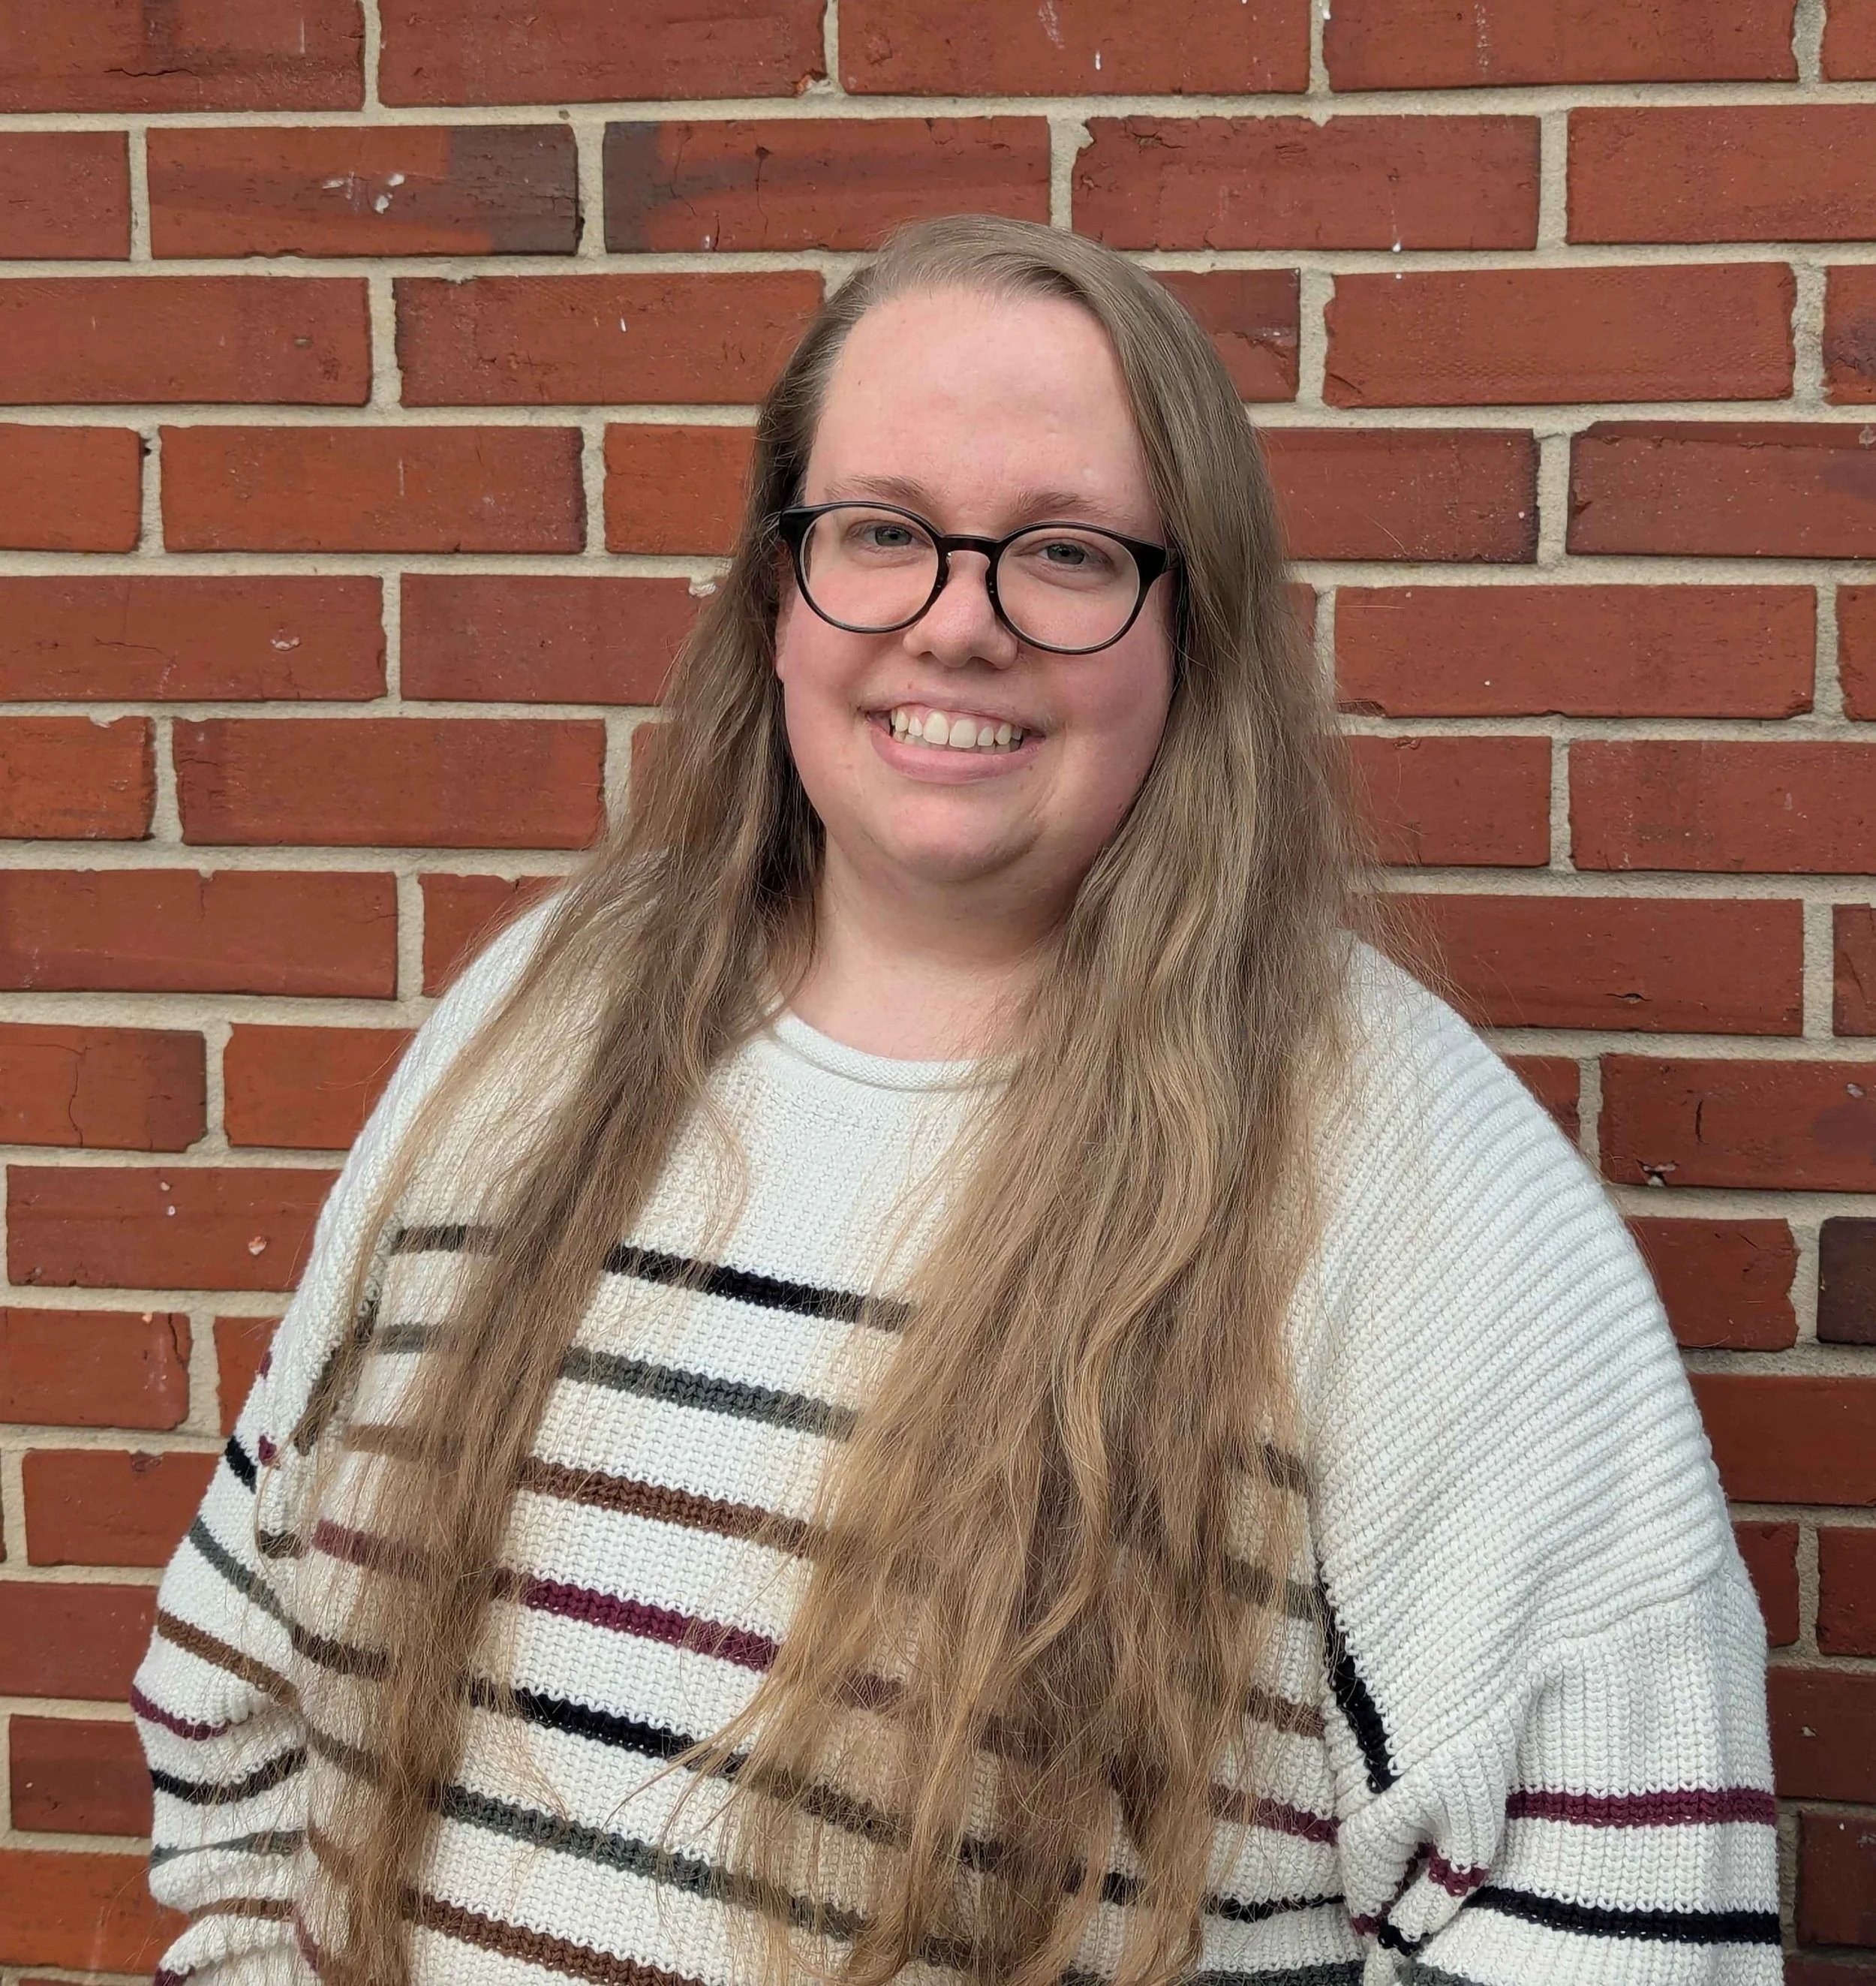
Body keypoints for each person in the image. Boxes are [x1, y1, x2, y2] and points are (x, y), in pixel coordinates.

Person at [132, 214, 1780, 1986]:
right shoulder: (531, 1026)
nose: (956, 623)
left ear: (1190, 630)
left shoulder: (1417, 1197)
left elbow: (1620, 1939)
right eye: (882, 533)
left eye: (1063, 554)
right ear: (778, 593)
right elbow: (239, 1723)